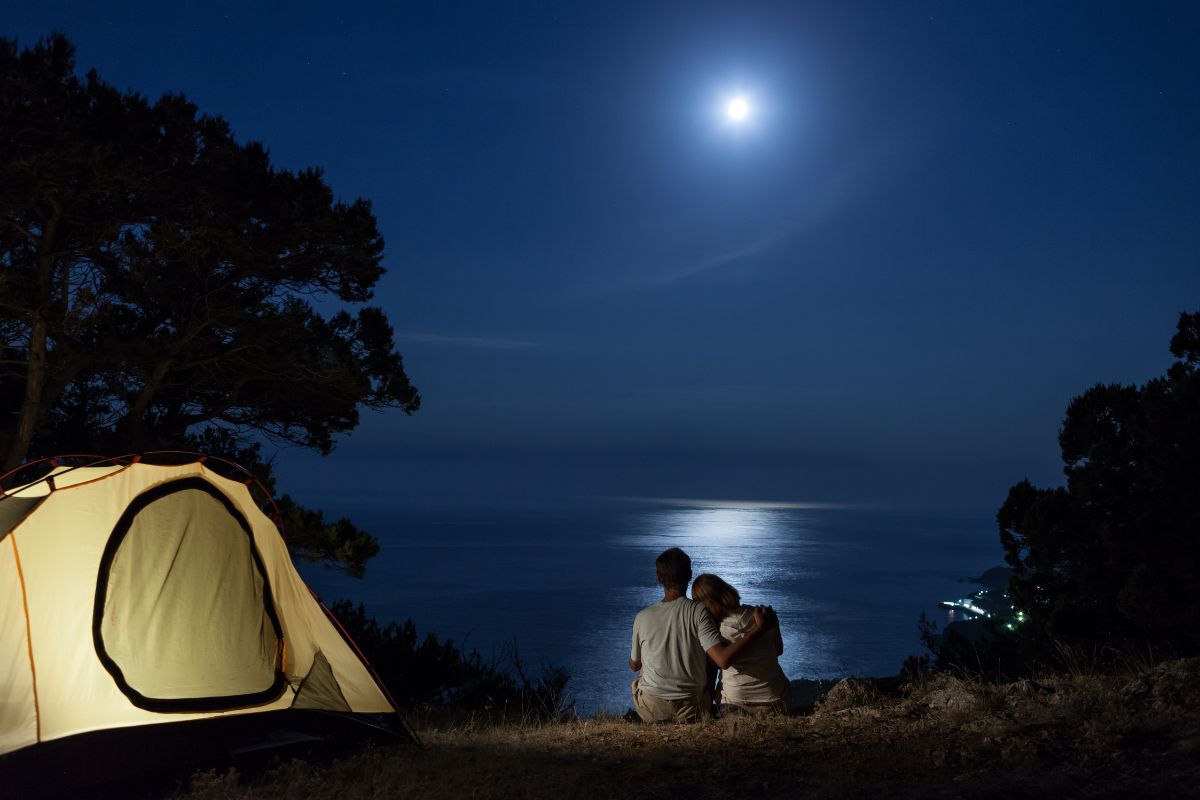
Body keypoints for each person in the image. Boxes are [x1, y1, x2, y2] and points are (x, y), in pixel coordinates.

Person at [629, 548, 772, 723]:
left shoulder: (642, 617)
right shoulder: (699, 611)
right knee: (707, 654)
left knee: (643, 670)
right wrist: (757, 630)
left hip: (652, 711)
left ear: (658, 578)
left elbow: (634, 665)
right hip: (693, 709)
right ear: (689, 574)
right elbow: (721, 659)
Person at [690, 573, 790, 715]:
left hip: (734, 704)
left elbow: (720, 662)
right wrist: (773, 624)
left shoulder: (716, 631)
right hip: (775, 704)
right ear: (725, 589)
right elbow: (778, 650)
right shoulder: (760, 615)